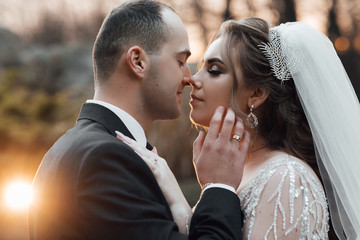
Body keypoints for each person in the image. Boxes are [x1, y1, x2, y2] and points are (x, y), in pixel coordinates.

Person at [119, 17, 360, 239]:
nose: (193, 79)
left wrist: (215, 185)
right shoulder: (239, 170)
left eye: (214, 70)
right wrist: (173, 187)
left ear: (256, 93)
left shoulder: (287, 177)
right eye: (201, 67)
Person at [28, 1, 251, 239]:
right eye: (180, 62)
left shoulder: (72, 147)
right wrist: (219, 186)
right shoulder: (104, 160)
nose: (189, 78)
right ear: (138, 61)